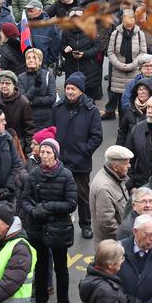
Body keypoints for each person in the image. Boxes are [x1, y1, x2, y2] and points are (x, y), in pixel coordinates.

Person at [20, 137, 76, 303]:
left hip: (59, 228)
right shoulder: (34, 174)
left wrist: (48, 208)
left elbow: (71, 203)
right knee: (41, 267)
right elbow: (25, 200)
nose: (44, 155)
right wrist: (34, 211)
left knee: (61, 269)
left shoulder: (66, 175)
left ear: (55, 155)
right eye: (42, 151)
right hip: (37, 227)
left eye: (48, 152)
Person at [54, 72, 104, 239]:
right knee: (60, 193)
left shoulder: (91, 111)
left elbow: (97, 136)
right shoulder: (58, 108)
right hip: (60, 160)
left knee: (83, 196)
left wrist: (85, 151)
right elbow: (51, 130)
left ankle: (86, 224)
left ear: (81, 91)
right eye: (67, 88)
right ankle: (62, 223)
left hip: (80, 162)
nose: (69, 92)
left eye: (73, 89)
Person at [89, 146, 133, 245]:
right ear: (116, 167)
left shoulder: (116, 176)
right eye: (126, 164)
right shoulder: (104, 188)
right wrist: (128, 236)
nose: (129, 166)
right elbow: (107, 224)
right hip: (112, 245)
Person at [17, 48, 57, 131]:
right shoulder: (20, 77)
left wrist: (32, 102)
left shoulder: (48, 75)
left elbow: (52, 98)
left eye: (34, 58)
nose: (31, 60)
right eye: (28, 58)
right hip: (28, 120)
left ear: (40, 61)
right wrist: (35, 88)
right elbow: (22, 100)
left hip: (46, 120)